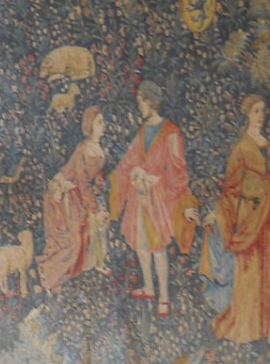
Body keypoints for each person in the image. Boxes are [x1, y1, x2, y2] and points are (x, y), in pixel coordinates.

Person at [201, 94, 270, 345]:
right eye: (256, 111)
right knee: (250, 269)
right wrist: (218, 213)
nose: (261, 115)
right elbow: (232, 189)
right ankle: (247, 325)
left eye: (263, 110)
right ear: (247, 114)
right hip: (249, 216)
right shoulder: (241, 148)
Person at [109, 80, 198, 319]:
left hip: (159, 198)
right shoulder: (142, 131)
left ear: (150, 102)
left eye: (141, 103)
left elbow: (178, 170)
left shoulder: (171, 132)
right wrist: (127, 174)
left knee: (158, 247)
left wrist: (153, 177)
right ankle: (149, 287)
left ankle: (165, 298)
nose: (140, 108)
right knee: (141, 242)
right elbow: (130, 159)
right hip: (139, 196)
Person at [37, 105, 110, 292]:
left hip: (79, 196)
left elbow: (98, 181)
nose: (104, 125)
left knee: (90, 231)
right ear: (90, 125)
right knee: (72, 240)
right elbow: (82, 181)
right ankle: (51, 278)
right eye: (100, 122)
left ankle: (88, 267)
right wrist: (94, 207)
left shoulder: (100, 151)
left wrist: (100, 203)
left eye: (103, 122)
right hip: (64, 195)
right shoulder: (83, 149)